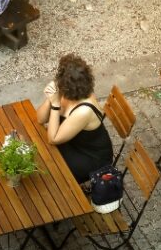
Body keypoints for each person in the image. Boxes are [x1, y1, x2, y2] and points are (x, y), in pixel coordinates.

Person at [35, 54, 114, 183]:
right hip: (72, 143)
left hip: (90, 157)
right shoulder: (67, 91)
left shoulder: (84, 110)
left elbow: (53, 139)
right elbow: (40, 119)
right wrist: (51, 98)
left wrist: (55, 104)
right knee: (39, 151)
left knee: (49, 170)